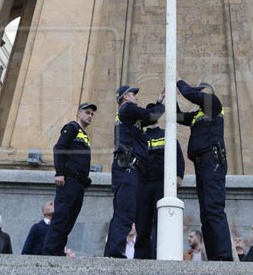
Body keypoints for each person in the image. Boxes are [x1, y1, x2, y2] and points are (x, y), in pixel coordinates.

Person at [176, 79, 233, 260]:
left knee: (214, 209)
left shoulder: (214, 105)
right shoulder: (197, 116)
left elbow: (193, 95)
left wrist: (178, 81)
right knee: (206, 214)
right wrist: (169, 96)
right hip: (201, 164)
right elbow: (178, 116)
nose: (201, 94)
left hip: (212, 161)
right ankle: (215, 257)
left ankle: (224, 257)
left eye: (203, 91)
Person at [104, 86, 163, 258]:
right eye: (133, 95)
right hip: (127, 167)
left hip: (128, 168)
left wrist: (158, 102)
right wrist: (162, 105)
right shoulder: (127, 108)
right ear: (125, 97)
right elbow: (150, 115)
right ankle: (115, 251)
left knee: (124, 210)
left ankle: (113, 250)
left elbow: (148, 119)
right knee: (125, 210)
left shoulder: (129, 117)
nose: (136, 98)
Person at [42, 102, 97, 256]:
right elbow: (59, 147)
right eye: (87, 112)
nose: (90, 116)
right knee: (61, 217)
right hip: (69, 181)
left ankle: (58, 251)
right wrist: (59, 172)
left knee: (69, 220)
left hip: (79, 183)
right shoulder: (72, 127)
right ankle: (49, 253)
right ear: (78, 113)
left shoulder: (84, 135)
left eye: (92, 114)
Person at [134, 123, 185, 259]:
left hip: (161, 183)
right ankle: (141, 258)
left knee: (161, 223)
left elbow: (178, 156)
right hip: (143, 184)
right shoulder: (140, 136)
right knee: (142, 223)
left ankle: (160, 255)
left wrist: (179, 175)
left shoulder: (166, 134)